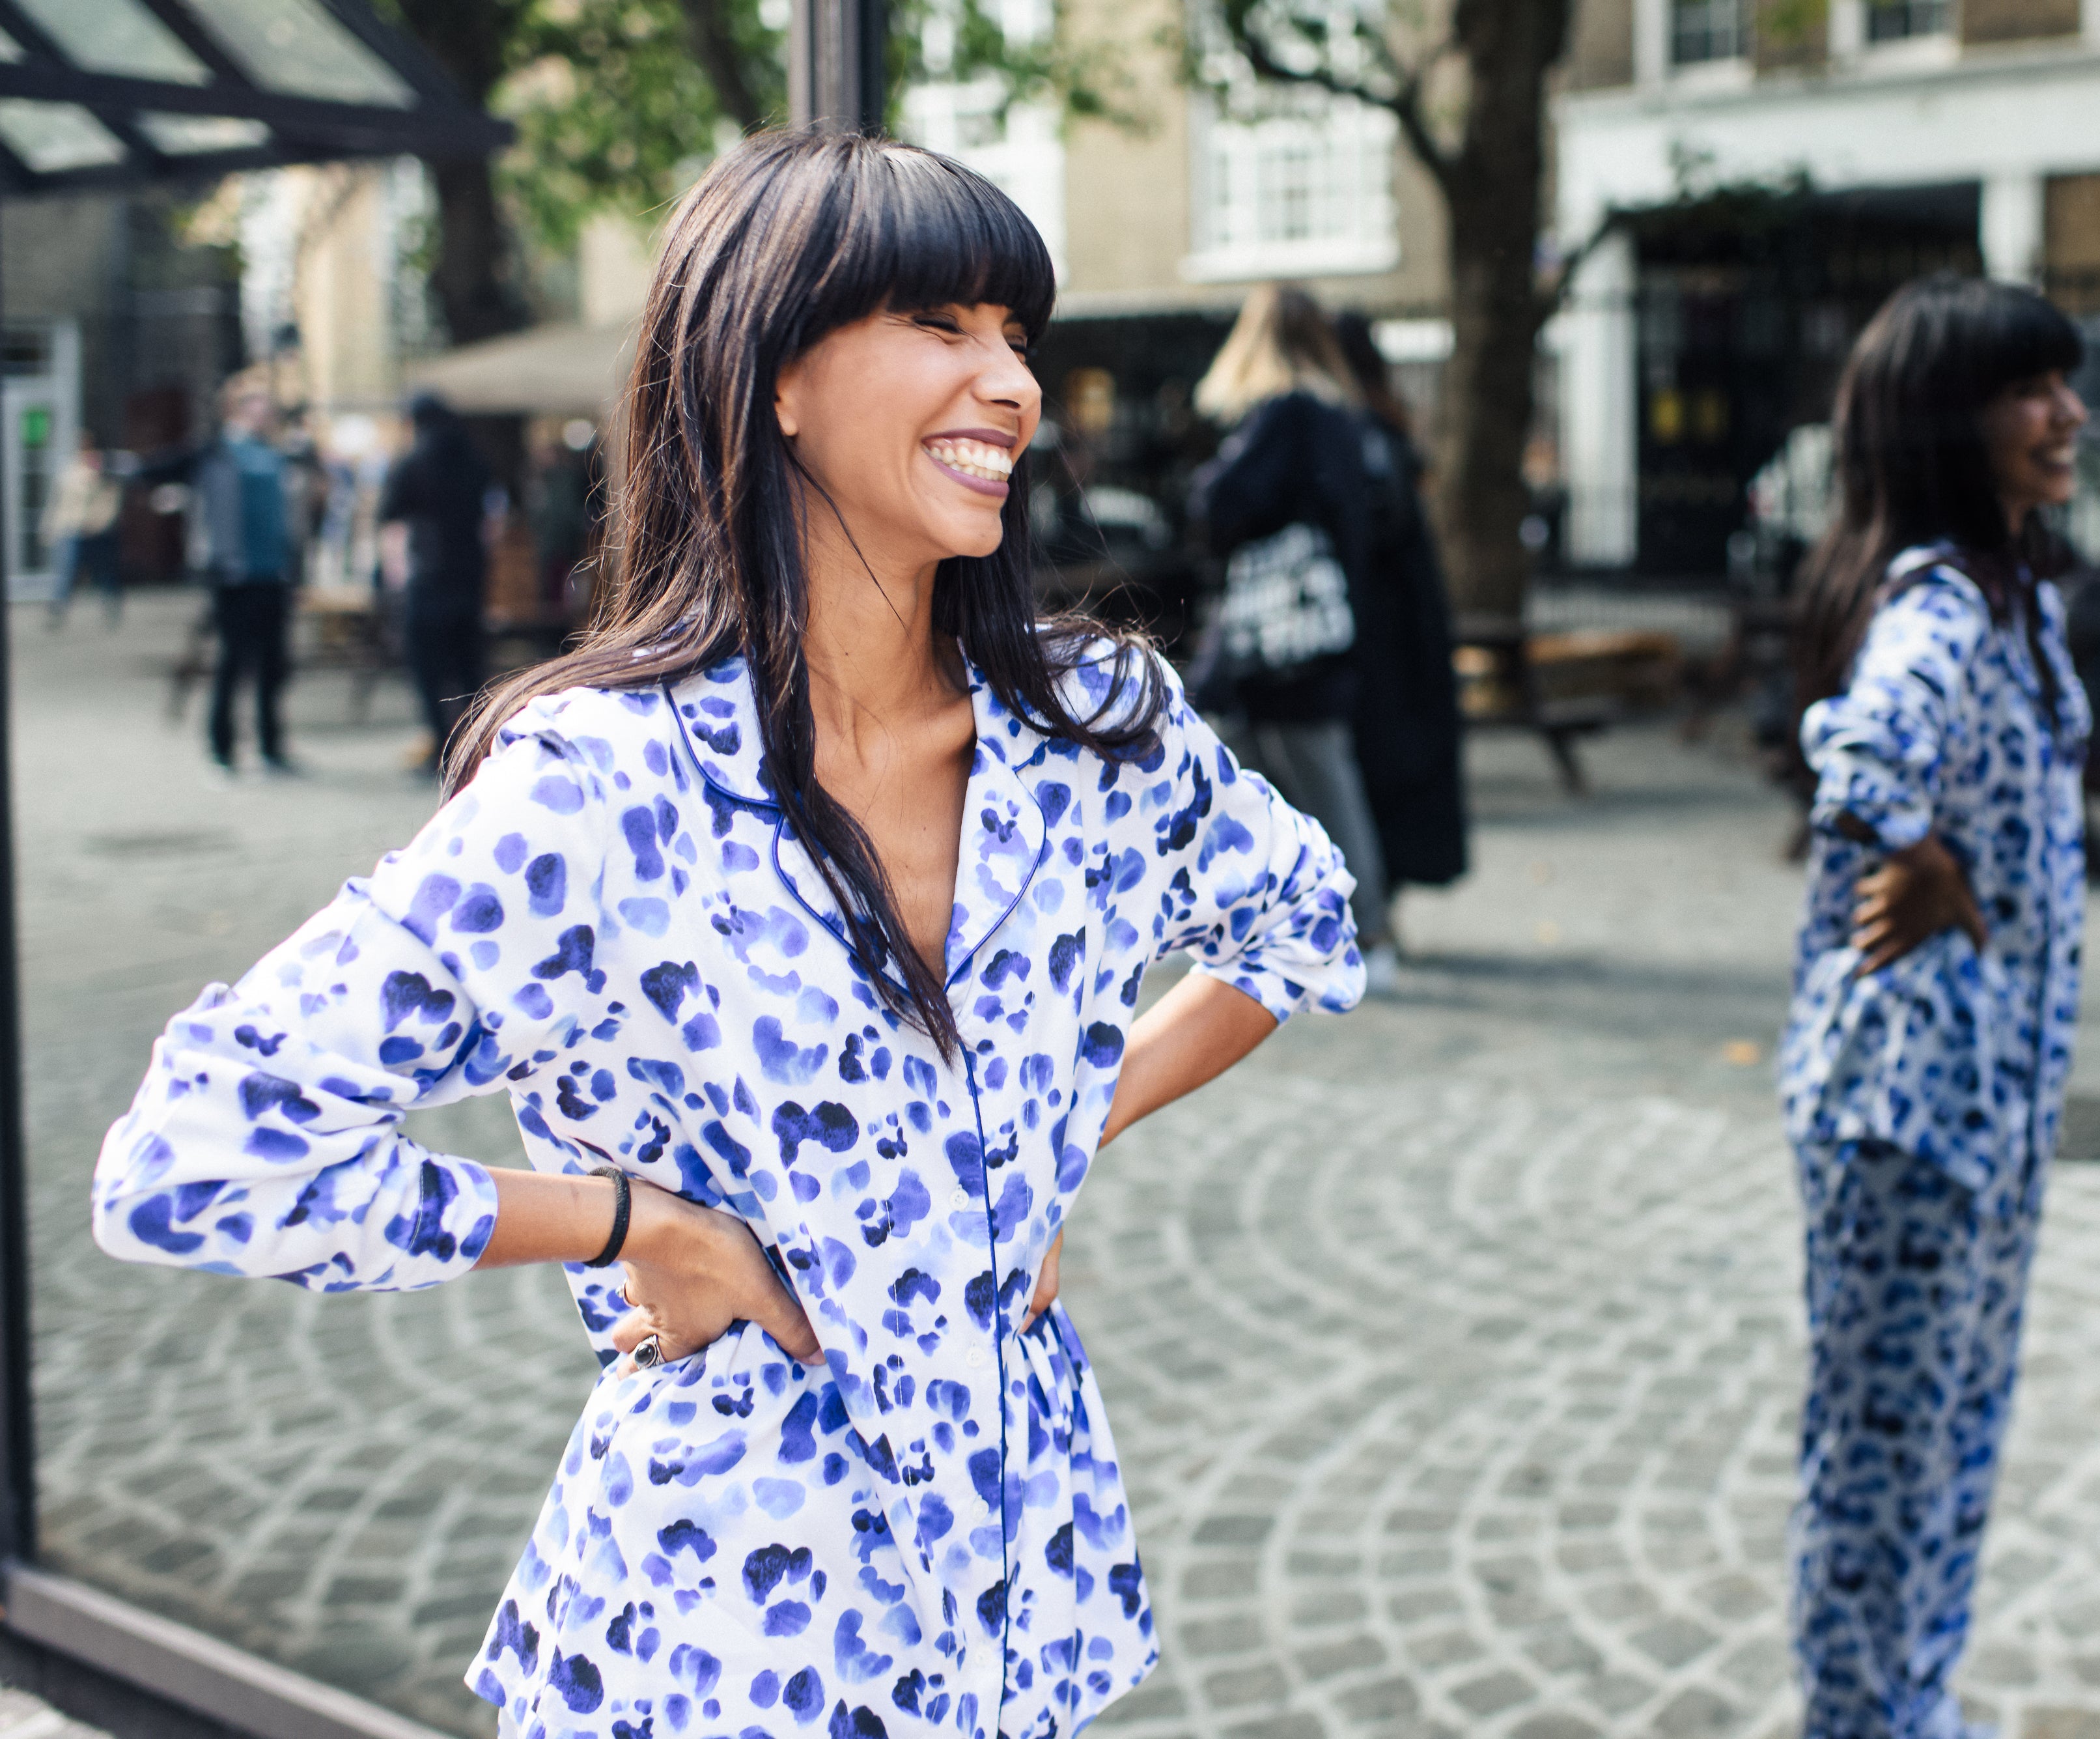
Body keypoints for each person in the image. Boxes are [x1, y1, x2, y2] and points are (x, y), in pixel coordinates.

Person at [90, 132, 1364, 1739]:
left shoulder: (1094, 726)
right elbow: (197, 1159)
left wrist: (1012, 1151)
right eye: (941, 325)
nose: (1009, 385)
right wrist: (640, 1227)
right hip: (725, 1613)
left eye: (1015, 336)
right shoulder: (607, 788)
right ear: (771, 375)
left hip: (1006, 1579)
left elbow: (1297, 925)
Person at [1777, 274, 2092, 1739]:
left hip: (1984, 1112)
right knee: (1886, 1454)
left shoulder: (2009, 596)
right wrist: (1915, 857)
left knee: (1953, 1433)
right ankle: (1863, 1717)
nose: (2064, 414)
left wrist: (1937, 855)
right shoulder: (1945, 610)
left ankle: (1913, 1703)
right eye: (2027, 390)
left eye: (2060, 383)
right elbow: (1859, 757)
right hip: (1906, 1116)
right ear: (1943, 423)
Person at [1188, 285, 1397, 987]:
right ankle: (1346, 928)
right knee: (1309, 784)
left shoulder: (1284, 413)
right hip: (1320, 634)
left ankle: (1361, 933)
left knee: (1288, 788)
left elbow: (1221, 503)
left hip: (1278, 644)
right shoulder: (1343, 418)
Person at [1330, 311, 1470, 898]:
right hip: (1406, 624)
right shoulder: (1385, 424)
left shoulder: (1355, 430)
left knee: (1376, 760)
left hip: (1378, 628)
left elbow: (1377, 525)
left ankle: (1374, 899)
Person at [381, 392, 496, 768]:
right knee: (469, 669)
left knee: (429, 671)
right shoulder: (475, 463)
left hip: (427, 580)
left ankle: (441, 748)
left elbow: (394, 529)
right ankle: (474, 747)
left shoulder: (411, 465)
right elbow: (491, 526)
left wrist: (396, 580)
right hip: (469, 579)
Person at [194, 379, 298, 775]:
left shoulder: (275, 454)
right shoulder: (220, 451)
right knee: (233, 663)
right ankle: (223, 750)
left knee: (274, 665)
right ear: (236, 408)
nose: (265, 411)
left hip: (273, 574)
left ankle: (272, 747)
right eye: (257, 403)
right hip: (234, 576)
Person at [43, 429, 124, 629]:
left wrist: (103, 523)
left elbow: (111, 499)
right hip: (71, 527)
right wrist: (49, 526)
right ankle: (58, 610)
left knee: (104, 571)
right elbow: (59, 501)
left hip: (95, 529)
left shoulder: (102, 467)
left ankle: (112, 606)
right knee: (67, 570)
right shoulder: (70, 469)